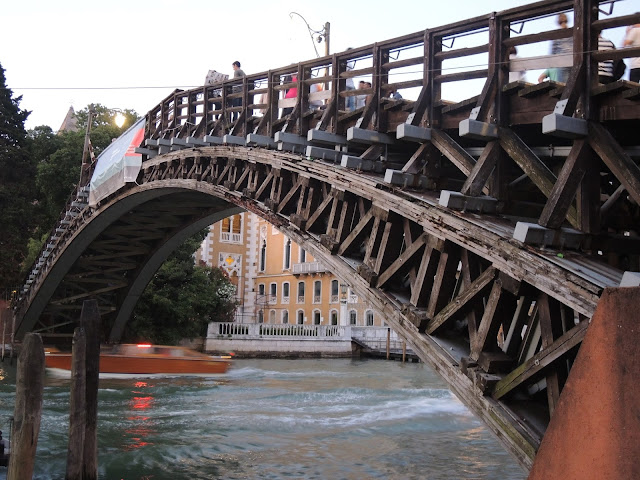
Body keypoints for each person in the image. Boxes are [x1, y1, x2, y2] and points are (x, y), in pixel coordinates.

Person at [540, 13, 573, 84]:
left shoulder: (557, 34)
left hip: (562, 62)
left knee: (563, 86)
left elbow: (552, 53)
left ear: (558, 21)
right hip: (573, 60)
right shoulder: (573, 32)